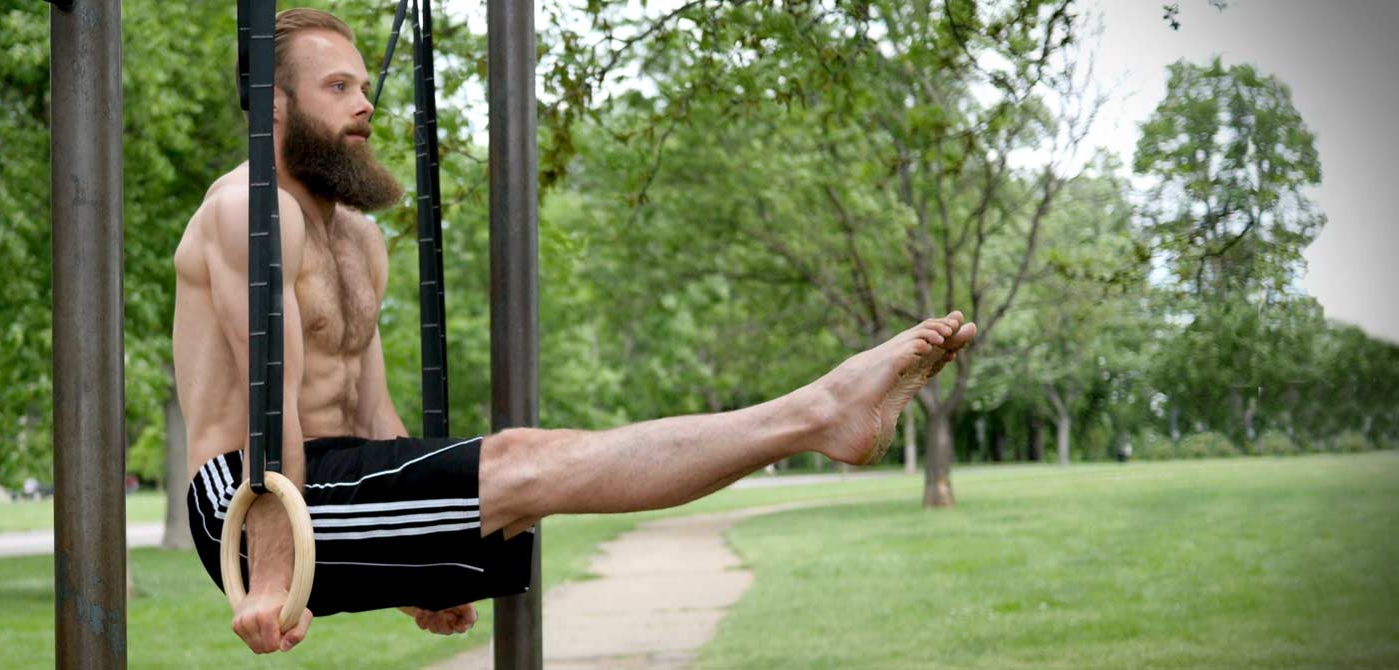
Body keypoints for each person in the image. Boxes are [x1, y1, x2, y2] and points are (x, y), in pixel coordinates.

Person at [169, 8, 977, 655]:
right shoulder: (250, 212)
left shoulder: (357, 238)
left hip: (333, 488)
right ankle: (819, 414)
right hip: (248, 504)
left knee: (529, 475)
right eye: (336, 86)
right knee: (526, 464)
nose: (364, 103)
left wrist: (424, 564)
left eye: (361, 84)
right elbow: (270, 409)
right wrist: (273, 578)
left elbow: (375, 425)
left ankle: (818, 416)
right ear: (274, 105)